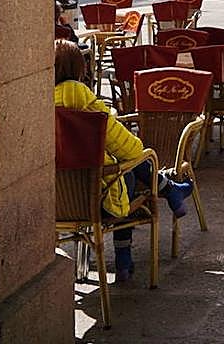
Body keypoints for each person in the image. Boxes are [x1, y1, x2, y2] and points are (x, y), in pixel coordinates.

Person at [54, 40, 194, 283]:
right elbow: (132, 148)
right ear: (78, 68)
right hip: (97, 201)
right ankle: (125, 259)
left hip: (53, 204)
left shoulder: (33, 104)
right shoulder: (83, 100)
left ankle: (169, 189)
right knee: (127, 170)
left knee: (120, 170)